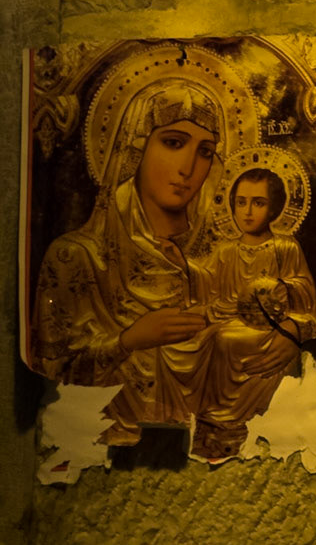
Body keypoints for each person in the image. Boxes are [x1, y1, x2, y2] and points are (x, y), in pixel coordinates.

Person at [31, 78, 222, 446]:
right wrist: (131, 339)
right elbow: (52, 369)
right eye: (173, 143)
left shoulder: (194, 270)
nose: (188, 167)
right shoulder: (76, 256)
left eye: (205, 152)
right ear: (136, 147)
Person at [193, 165, 316, 464]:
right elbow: (207, 288)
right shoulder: (226, 252)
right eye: (241, 202)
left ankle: (238, 423)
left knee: (228, 339)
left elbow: (305, 292)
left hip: (270, 328)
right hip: (229, 323)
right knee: (212, 337)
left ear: (275, 207)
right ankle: (215, 423)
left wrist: (281, 289)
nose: (248, 211)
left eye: (258, 202)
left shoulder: (284, 247)